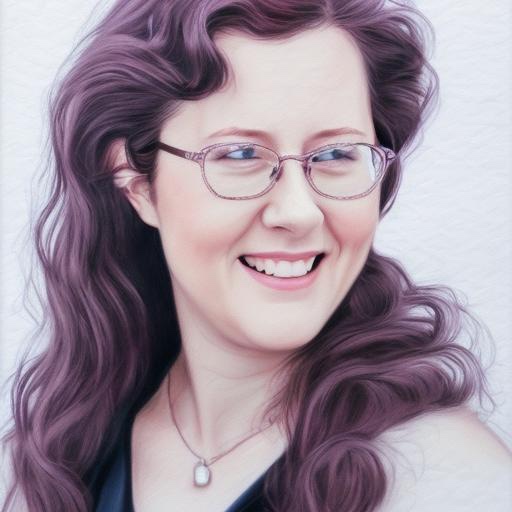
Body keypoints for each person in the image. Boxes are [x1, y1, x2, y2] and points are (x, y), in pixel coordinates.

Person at [1, 0, 511, 511]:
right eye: (241, 154)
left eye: (337, 154)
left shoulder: (444, 477)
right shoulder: (57, 455)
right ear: (136, 183)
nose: (299, 212)